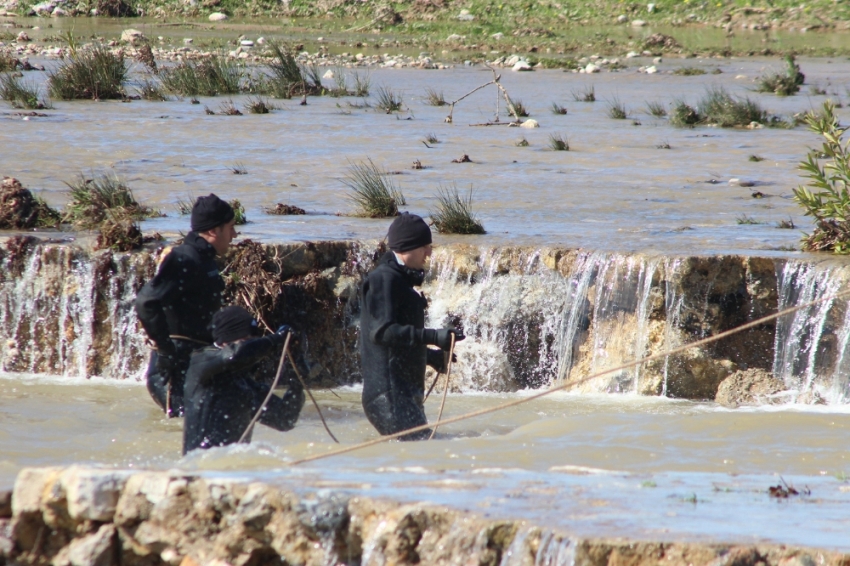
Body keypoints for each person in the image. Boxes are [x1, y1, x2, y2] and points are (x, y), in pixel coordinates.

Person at [359, 212, 465, 440]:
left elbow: (394, 344)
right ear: (408, 247)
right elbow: (381, 333)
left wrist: (429, 357)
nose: (429, 253)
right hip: (389, 397)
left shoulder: (398, 279)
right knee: (422, 453)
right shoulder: (383, 279)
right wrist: (434, 337)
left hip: (402, 395)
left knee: (418, 461)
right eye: (425, 246)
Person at [135, 194, 237, 417]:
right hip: (172, 371)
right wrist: (164, 351)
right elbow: (145, 302)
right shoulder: (183, 258)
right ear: (212, 231)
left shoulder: (205, 259)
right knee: (188, 434)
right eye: (230, 227)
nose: (234, 235)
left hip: (192, 364)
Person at [182, 306, 305, 455]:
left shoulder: (246, 385)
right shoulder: (201, 362)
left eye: (254, 341)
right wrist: (276, 339)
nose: (253, 349)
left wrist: (296, 383)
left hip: (234, 469)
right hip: (199, 468)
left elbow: (285, 419)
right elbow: (237, 354)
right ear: (224, 342)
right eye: (246, 341)